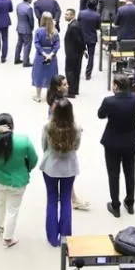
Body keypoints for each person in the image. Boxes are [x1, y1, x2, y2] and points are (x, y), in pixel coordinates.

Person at [0, 113, 39, 248]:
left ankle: (0, 226)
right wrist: (26, 169)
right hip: (17, 182)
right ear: (13, 125)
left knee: (1, 203)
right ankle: (8, 239)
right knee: (13, 210)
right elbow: (34, 159)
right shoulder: (23, 140)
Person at [98, 74, 135, 217]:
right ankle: (130, 203)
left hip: (112, 141)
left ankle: (115, 206)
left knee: (113, 173)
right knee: (130, 172)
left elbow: (100, 115)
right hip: (130, 139)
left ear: (116, 86)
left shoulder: (109, 101)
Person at [40, 98, 81, 247]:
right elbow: (76, 147)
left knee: (51, 200)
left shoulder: (47, 127)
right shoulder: (76, 128)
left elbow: (43, 146)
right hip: (69, 168)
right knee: (66, 200)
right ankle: (65, 237)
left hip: (50, 167)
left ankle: (52, 238)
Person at [31, 12, 61, 103]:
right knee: (51, 75)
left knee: (39, 75)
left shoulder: (39, 31)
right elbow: (57, 45)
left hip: (40, 56)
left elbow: (37, 44)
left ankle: (38, 96)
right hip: (52, 56)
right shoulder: (55, 31)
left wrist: (44, 54)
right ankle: (49, 96)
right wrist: (51, 54)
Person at [63, 9, 85, 97]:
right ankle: (74, 90)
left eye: (67, 15)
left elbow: (79, 40)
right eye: (65, 14)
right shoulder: (74, 24)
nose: (65, 16)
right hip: (75, 53)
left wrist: (80, 51)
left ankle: (71, 91)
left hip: (73, 53)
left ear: (72, 15)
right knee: (75, 72)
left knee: (70, 72)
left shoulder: (73, 26)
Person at [79, 0, 101, 79]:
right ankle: (88, 74)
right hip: (92, 37)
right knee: (91, 56)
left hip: (82, 37)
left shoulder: (81, 13)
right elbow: (98, 27)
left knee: (79, 56)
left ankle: (78, 71)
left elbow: (78, 24)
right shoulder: (97, 15)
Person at [14, 0, 35, 67]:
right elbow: (31, 19)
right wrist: (32, 27)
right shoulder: (29, 8)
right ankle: (26, 62)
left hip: (19, 27)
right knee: (27, 45)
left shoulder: (19, 5)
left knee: (19, 44)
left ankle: (16, 59)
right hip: (27, 29)